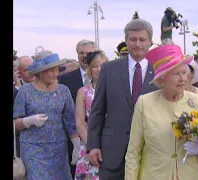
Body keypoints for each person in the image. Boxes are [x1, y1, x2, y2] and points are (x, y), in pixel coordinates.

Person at [125, 44, 198, 180]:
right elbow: (133, 152)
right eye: (176, 74)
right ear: (161, 78)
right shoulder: (145, 103)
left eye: (184, 73)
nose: (182, 79)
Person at [87, 18, 157, 179]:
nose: (137, 44)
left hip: (149, 153)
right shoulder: (109, 69)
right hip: (112, 154)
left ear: (150, 42)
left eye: (142, 39)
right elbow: (97, 110)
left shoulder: (159, 71)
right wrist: (93, 145)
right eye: (133, 39)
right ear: (126, 40)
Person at [13, 50, 80, 179]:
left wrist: (76, 145)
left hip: (58, 149)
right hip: (33, 149)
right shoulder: (25, 91)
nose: (56, 74)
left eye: (57, 70)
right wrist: (29, 121)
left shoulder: (63, 91)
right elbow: (15, 123)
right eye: (51, 70)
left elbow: (70, 121)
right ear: (40, 72)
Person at [58, 39, 98, 178]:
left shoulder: (108, 78)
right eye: (81, 53)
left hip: (101, 140)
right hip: (73, 142)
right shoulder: (65, 79)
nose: (85, 56)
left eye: (89, 53)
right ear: (77, 54)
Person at [75, 50, 109, 179]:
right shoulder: (83, 92)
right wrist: (92, 145)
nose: (99, 69)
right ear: (89, 68)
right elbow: (79, 123)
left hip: (110, 144)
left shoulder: (114, 90)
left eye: (103, 66)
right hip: (89, 143)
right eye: (95, 66)